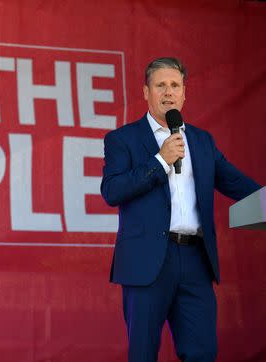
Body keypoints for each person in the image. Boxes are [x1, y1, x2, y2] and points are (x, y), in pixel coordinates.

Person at [100, 57, 261, 362]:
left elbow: (237, 184)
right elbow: (112, 191)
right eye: (160, 85)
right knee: (144, 353)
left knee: (202, 352)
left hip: (195, 260)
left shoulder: (201, 141)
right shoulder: (123, 139)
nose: (168, 92)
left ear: (185, 93)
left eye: (175, 85)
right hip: (147, 263)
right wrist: (160, 160)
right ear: (146, 92)